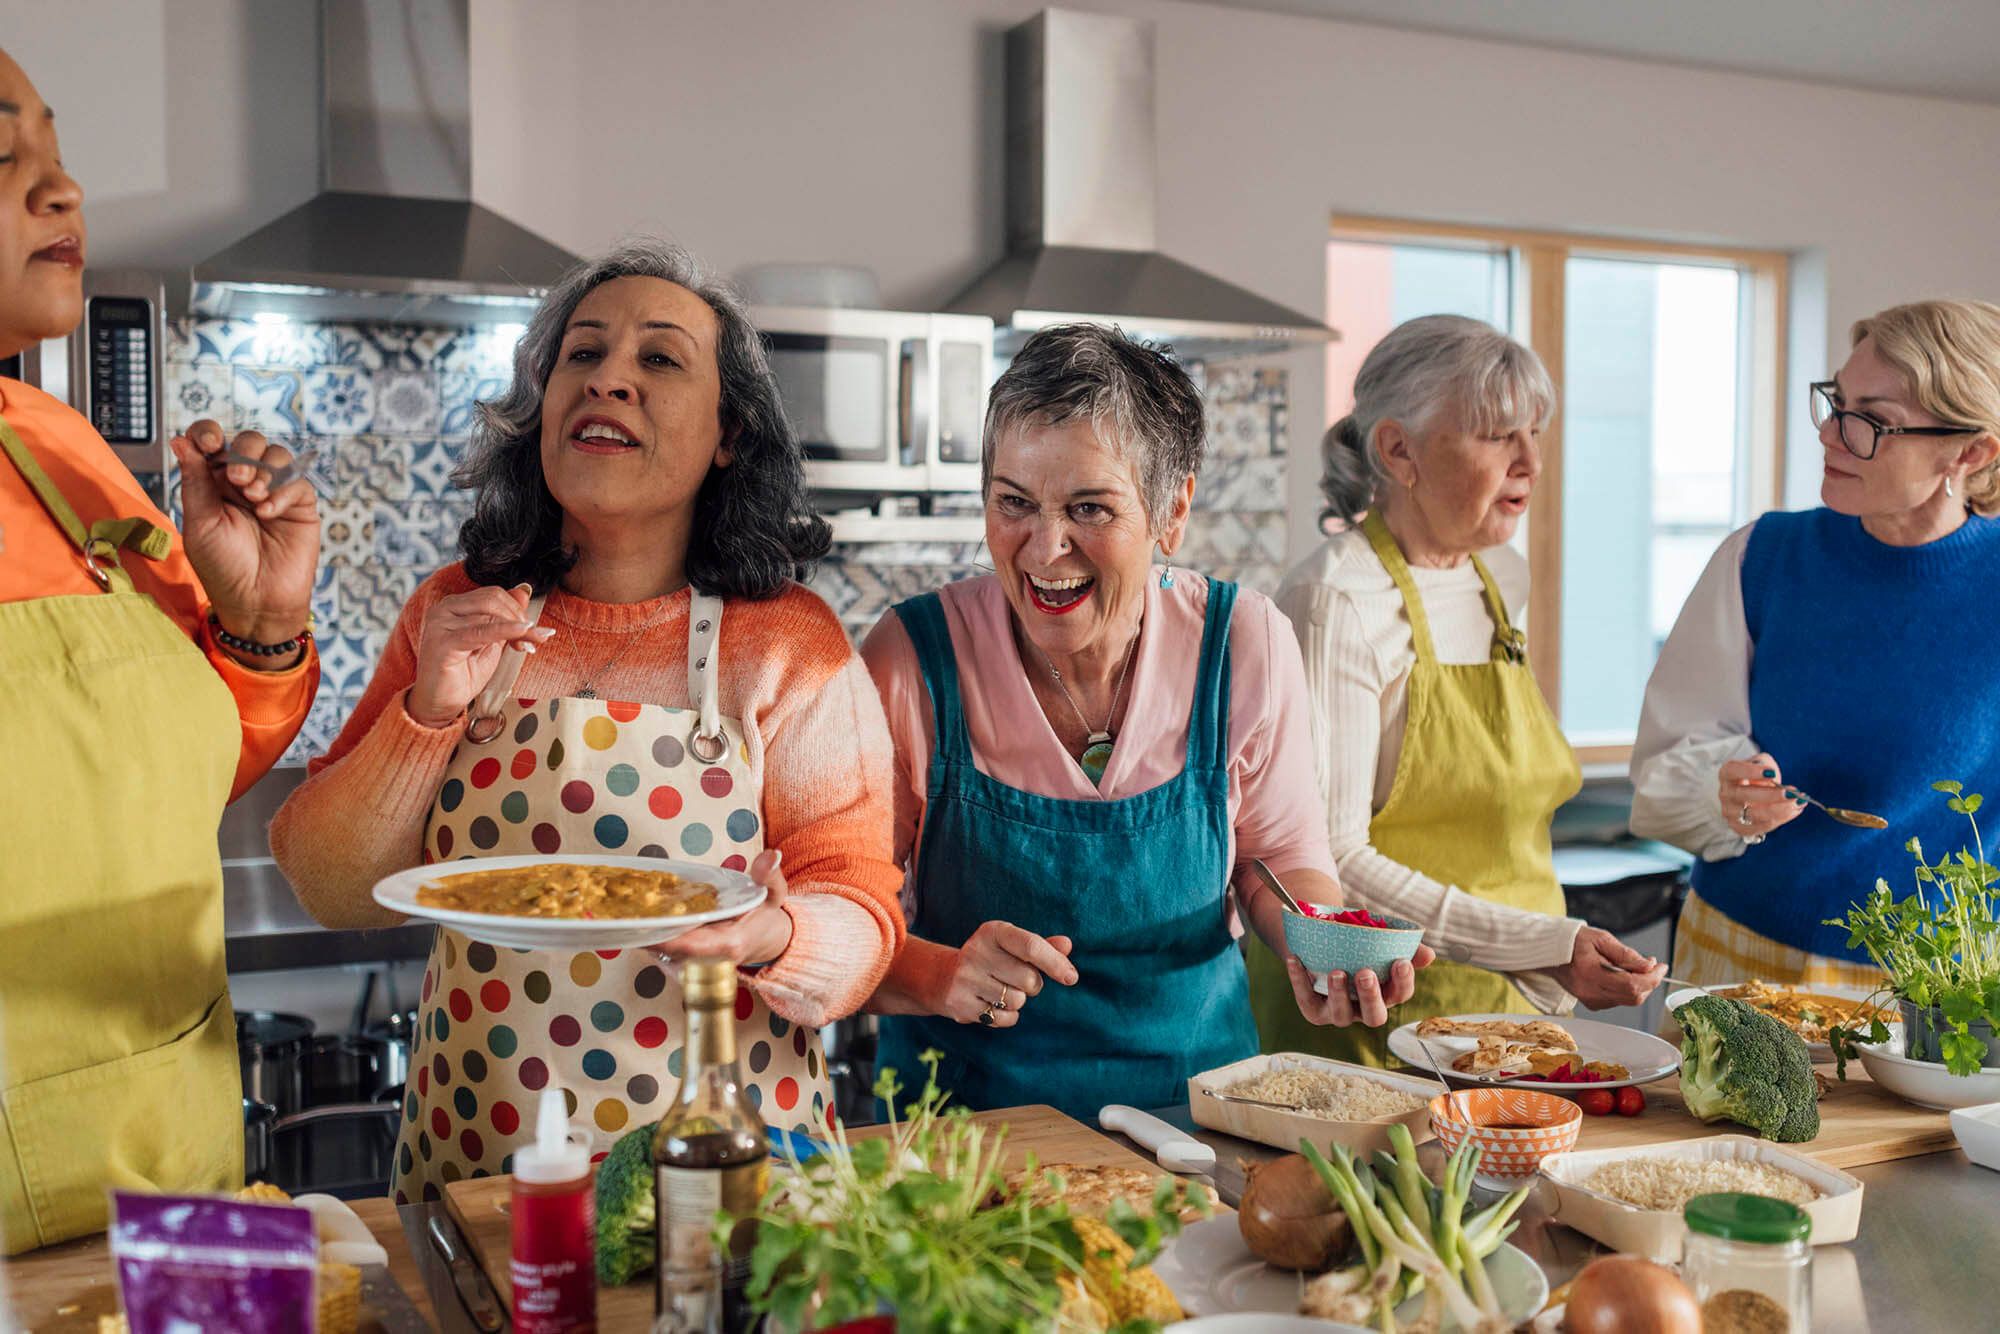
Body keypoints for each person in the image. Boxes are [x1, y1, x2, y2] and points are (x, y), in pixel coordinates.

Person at [269, 240, 903, 1201]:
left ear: (728, 433)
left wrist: (776, 931)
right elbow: (331, 889)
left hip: (727, 1166)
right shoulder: (453, 610)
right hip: (484, 1157)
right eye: (583, 354)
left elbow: (863, 913)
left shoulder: (789, 645)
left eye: (658, 359)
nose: (609, 379)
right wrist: (430, 706)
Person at [860, 323, 1429, 1118]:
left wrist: (1318, 940)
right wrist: (939, 974)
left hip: (1198, 1115)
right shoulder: (911, 659)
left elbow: (1278, 856)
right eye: (1013, 503)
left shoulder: (1245, 644)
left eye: (1088, 508)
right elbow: (843, 915)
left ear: (1172, 511)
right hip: (963, 1130)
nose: (1045, 548)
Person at [0, 46, 319, 1253]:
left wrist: (260, 623)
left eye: (58, 151)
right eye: (4, 155)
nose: (64, 190)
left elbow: (173, 777)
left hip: (179, 1165)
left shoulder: (63, 447)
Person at [1258, 315, 1664, 1066]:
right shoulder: (1334, 600)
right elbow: (1333, 858)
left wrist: (1542, 952)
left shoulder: (1498, 578)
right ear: (1398, 449)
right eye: (1496, 435)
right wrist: (1541, 943)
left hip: (1518, 1010)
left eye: (1535, 432)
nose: (1531, 463)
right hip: (1384, 1013)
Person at [1631, 300, 2000, 985]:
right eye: (1836, 401)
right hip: (1741, 953)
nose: (1832, 434)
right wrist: (1724, 795)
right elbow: (1666, 756)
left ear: (1971, 451)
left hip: (1939, 986)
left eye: (1874, 421)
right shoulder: (1761, 556)